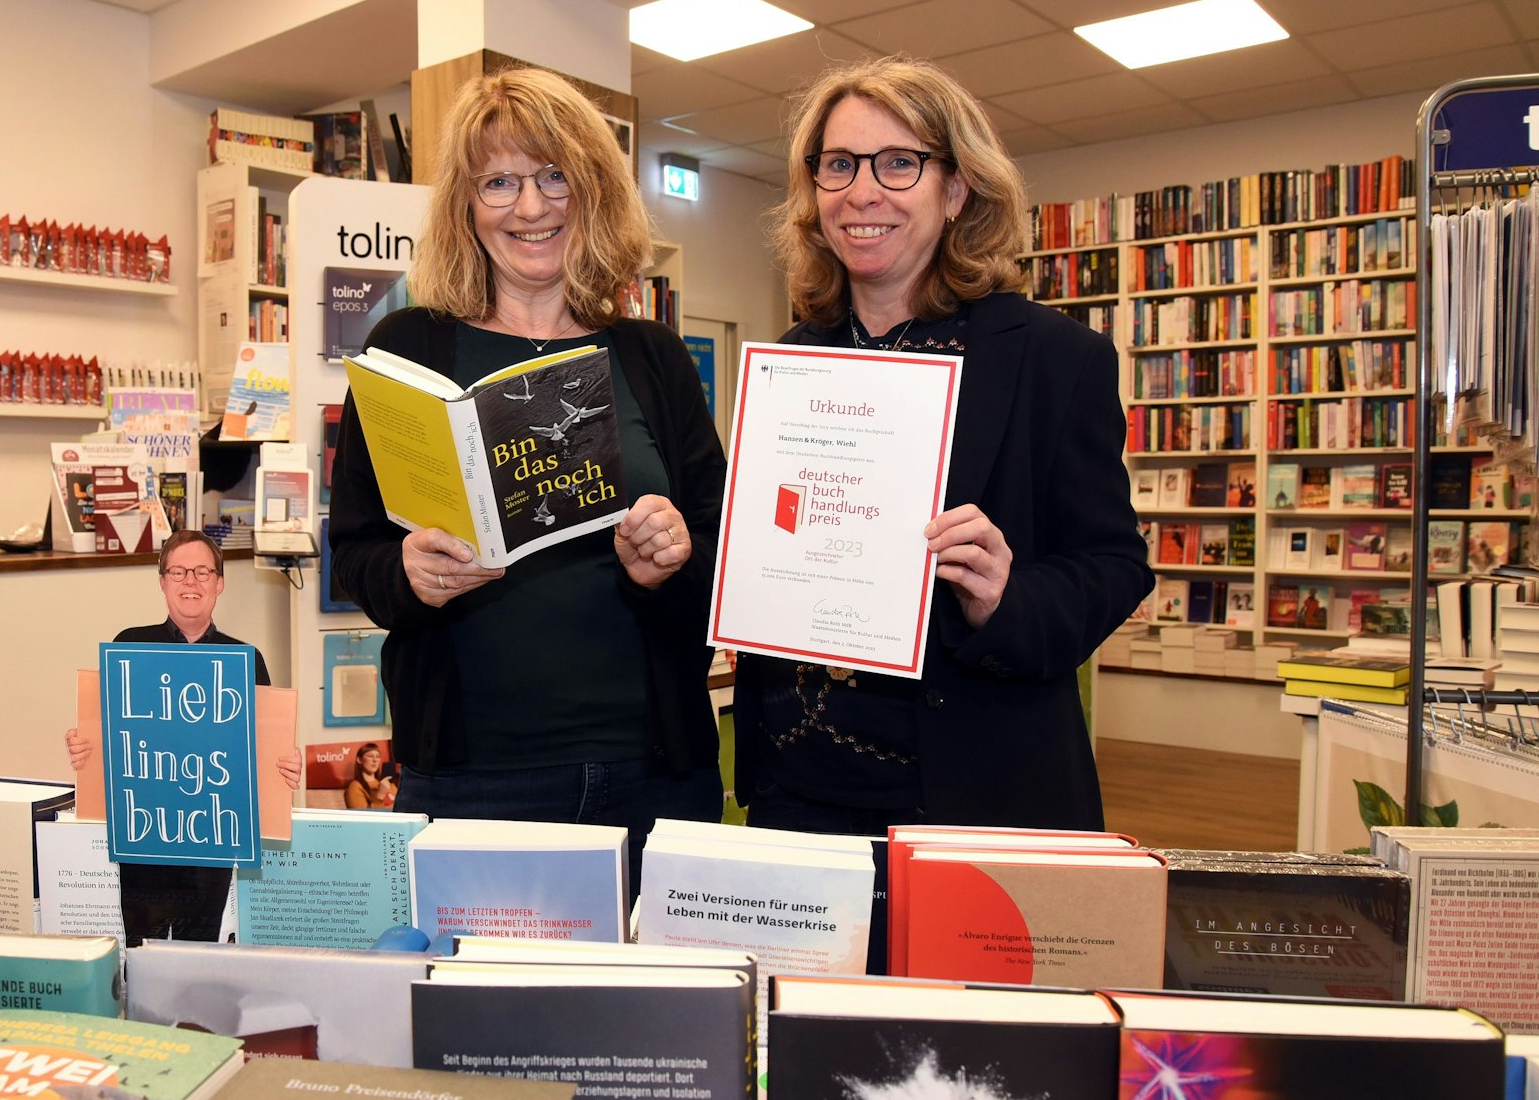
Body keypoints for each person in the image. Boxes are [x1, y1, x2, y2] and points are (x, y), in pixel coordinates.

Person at [732, 55, 1153, 836]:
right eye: (839, 165)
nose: (863, 191)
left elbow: (1115, 565)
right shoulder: (791, 362)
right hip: (797, 795)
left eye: (899, 163)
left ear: (956, 190)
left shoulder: (1056, 360)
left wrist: (1004, 595)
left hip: (970, 795)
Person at [329, 67, 727, 894]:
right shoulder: (407, 347)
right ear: (466, 205)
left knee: (664, 984)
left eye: (554, 177)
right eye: (499, 183)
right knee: (480, 983)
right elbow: (357, 551)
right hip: (474, 780)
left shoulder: (651, 356)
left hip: (653, 772)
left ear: (592, 190)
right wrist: (408, 573)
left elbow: (723, 554)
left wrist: (673, 559)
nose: (531, 207)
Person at [64, 529, 299, 944]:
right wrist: (86, 748)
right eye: (178, 572)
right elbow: (108, 734)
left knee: (198, 952)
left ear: (219, 583)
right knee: (143, 952)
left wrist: (284, 766)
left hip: (211, 838)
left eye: (203, 572)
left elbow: (261, 750)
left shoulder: (245, 660)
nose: (191, 581)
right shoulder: (130, 646)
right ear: (162, 582)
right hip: (144, 837)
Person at [344, 742, 397, 809]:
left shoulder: (387, 784)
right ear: (359, 760)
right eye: (370, 756)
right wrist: (380, 796)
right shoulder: (355, 787)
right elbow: (362, 815)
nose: (375, 760)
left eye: (377, 757)